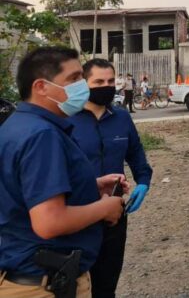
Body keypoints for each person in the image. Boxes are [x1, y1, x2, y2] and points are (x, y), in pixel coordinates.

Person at [0, 47, 126, 298]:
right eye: (74, 78)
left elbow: (24, 191)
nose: (83, 86)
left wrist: (90, 186)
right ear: (41, 87)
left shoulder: (18, 125)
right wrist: (107, 207)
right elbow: (49, 222)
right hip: (44, 284)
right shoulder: (42, 135)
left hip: (27, 274)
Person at [69, 59, 153, 298]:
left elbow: (136, 155)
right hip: (78, 214)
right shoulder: (66, 120)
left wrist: (144, 183)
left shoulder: (121, 118)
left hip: (114, 214)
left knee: (107, 284)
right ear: (83, 84)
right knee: (77, 284)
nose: (105, 86)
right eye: (98, 82)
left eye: (110, 81)